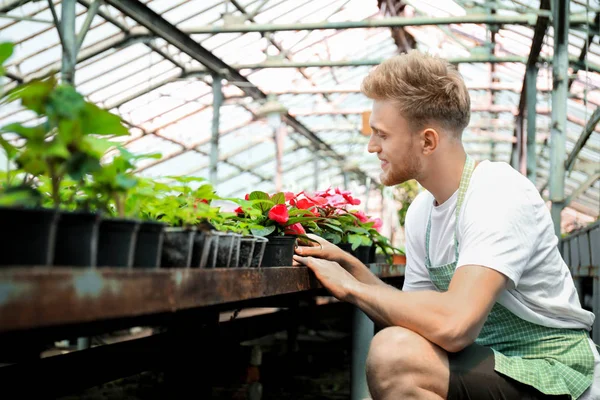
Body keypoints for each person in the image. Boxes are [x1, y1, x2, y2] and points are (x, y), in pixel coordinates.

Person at [293, 49, 600, 400]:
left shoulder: (496, 191)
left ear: (427, 141)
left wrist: (353, 289)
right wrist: (353, 269)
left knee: (395, 357)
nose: (371, 146)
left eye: (381, 134)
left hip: (552, 372)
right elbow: (414, 316)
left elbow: (454, 325)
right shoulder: (423, 212)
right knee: (401, 342)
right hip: (492, 366)